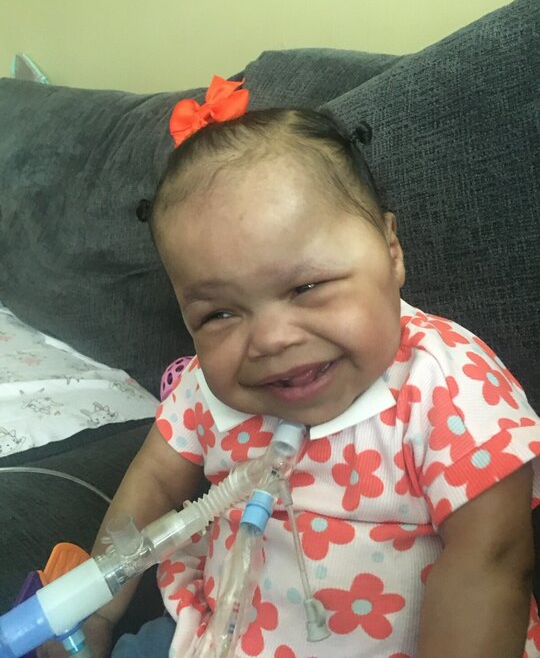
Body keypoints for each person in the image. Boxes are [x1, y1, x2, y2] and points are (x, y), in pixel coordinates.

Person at [40, 77, 540, 658]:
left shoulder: (445, 382)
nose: (272, 339)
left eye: (306, 286)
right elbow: (152, 482)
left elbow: (492, 560)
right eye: (221, 313)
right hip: (206, 637)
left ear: (391, 250)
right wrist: (94, 614)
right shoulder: (211, 391)